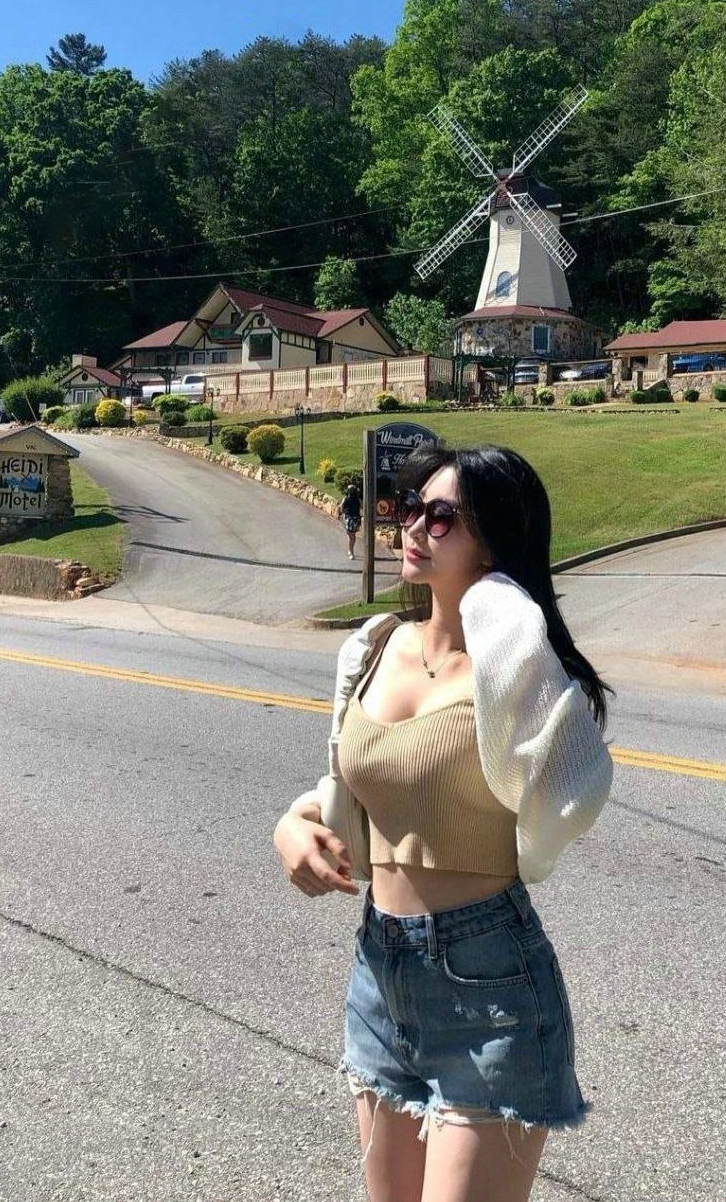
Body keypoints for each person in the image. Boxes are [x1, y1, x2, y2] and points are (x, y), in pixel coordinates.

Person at [273, 444, 613, 1202]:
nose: (411, 526)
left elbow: (577, 788)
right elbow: (356, 784)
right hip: (379, 972)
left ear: (494, 536)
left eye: (441, 516)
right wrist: (292, 823)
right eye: (409, 507)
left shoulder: (518, 672)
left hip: (490, 984)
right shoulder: (374, 647)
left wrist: (506, 619)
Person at [341, 483, 362, 558]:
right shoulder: (358, 499)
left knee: (351, 536)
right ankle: (351, 550)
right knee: (352, 535)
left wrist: (343, 515)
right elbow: (361, 507)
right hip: (355, 519)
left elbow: (342, 508)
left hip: (350, 519)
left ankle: (351, 551)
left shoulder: (346, 499)